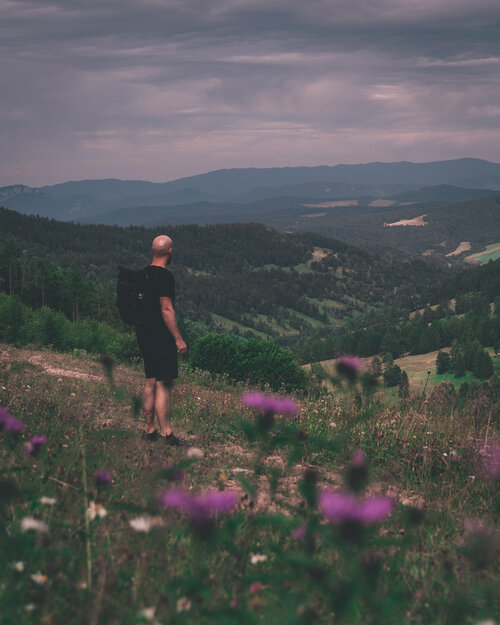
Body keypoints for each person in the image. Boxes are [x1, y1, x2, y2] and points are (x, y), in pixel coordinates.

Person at [136, 235, 187, 446]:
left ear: (152, 250)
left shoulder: (141, 275)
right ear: (170, 252)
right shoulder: (165, 277)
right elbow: (166, 309)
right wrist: (178, 338)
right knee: (163, 383)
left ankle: (149, 430)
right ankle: (166, 434)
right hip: (161, 334)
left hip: (144, 333)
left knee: (150, 382)